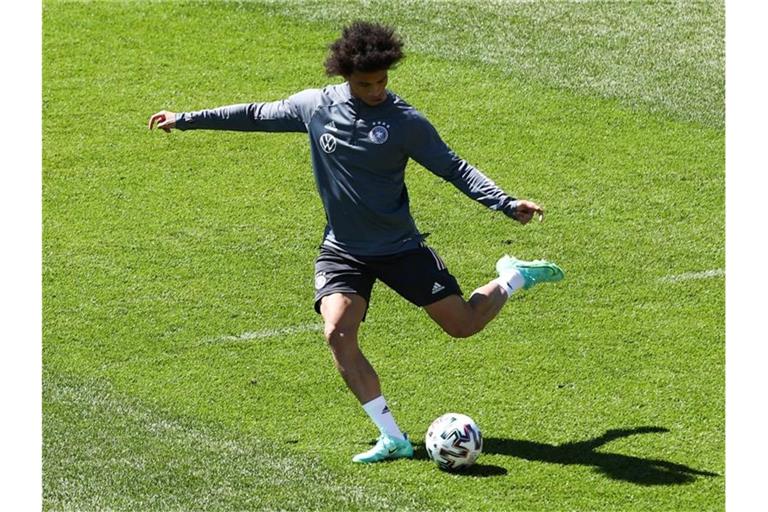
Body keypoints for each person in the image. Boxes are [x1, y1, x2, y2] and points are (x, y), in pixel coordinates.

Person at [149, 21, 563, 464]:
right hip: (343, 249)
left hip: (401, 247)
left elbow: (454, 168)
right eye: (366, 83)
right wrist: (186, 119)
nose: (377, 90)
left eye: (383, 80)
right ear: (345, 76)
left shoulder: (405, 123)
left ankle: (512, 276)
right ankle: (393, 437)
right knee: (337, 333)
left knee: (462, 325)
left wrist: (503, 203)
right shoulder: (315, 107)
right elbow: (254, 114)